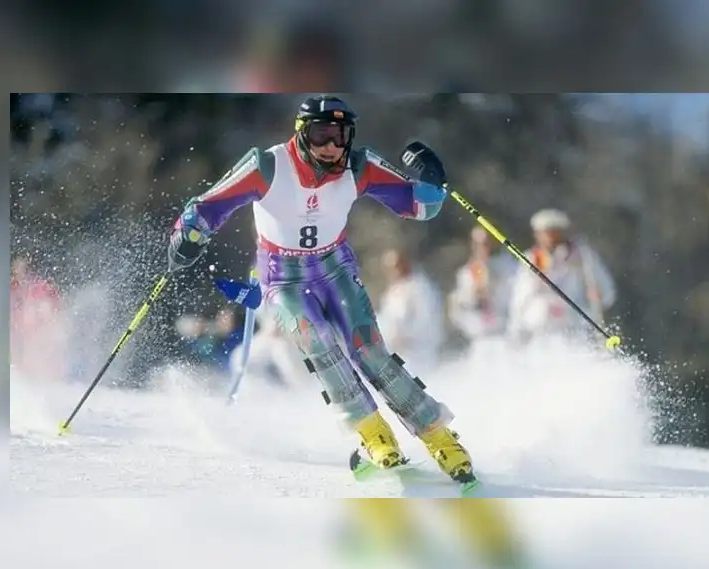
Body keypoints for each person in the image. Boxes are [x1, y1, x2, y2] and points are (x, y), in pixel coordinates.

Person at [165, 95, 476, 486]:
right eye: (321, 135)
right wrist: (188, 234)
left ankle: (439, 436)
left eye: (340, 136)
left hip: (334, 268)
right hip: (283, 275)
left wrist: (432, 180)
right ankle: (373, 435)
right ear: (301, 133)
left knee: (370, 352)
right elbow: (210, 205)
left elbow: (419, 205)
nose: (331, 146)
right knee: (319, 343)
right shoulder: (268, 165)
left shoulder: (358, 166)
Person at [506, 209, 617, 343]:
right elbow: (520, 298)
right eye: (545, 232)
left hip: (575, 328)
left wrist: (598, 293)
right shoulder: (531, 258)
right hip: (540, 330)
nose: (549, 237)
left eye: (554, 231)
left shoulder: (583, 256)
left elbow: (606, 291)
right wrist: (516, 331)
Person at [375, 248, 444, 373]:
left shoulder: (420, 286)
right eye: (389, 268)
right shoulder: (391, 293)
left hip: (421, 352)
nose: (394, 271)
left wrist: (408, 336)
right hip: (399, 354)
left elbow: (427, 317)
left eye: (396, 266)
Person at [447, 226, 516, 344]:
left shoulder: (508, 268)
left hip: (503, 336)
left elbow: (514, 298)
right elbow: (457, 309)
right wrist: (473, 295)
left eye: (486, 243)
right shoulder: (466, 273)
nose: (483, 248)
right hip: (479, 338)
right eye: (478, 244)